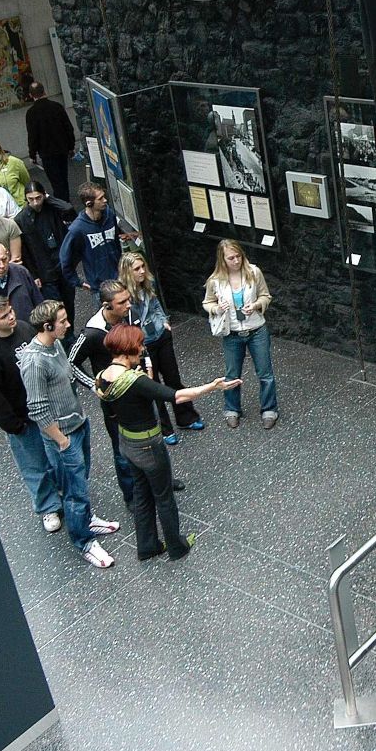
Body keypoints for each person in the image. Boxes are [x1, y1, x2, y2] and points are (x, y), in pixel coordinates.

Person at [97, 323, 240, 561]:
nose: (142, 350)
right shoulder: (134, 380)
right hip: (148, 445)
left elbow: (111, 413)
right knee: (163, 496)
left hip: (126, 442)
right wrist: (213, 387)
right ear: (125, 351)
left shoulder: (102, 378)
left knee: (142, 493)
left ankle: (147, 545)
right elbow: (176, 396)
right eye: (138, 346)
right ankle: (176, 546)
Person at [19, 300, 120, 569]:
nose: (67, 324)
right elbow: (37, 409)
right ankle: (84, 542)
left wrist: (93, 386)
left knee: (81, 480)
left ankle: (86, 520)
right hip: (63, 436)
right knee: (74, 492)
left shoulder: (57, 345)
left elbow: (71, 369)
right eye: (62, 321)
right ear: (47, 326)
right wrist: (61, 440)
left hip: (78, 423)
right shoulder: (34, 361)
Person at [0, 295, 64, 533]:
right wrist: (15, 426)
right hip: (23, 420)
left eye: (11, 311)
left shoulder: (24, 329)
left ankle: (62, 491)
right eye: (4, 316)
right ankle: (48, 507)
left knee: (56, 455)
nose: (11, 317)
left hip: (45, 410)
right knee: (35, 466)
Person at [69, 280, 145, 507]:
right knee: (122, 449)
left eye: (128, 299)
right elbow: (71, 362)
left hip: (139, 386)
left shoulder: (130, 315)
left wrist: (147, 367)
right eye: (122, 302)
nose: (128, 305)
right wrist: (94, 385)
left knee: (150, 435)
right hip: (115, 399)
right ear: (107, 305)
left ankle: (158, 479)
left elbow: (143, 343)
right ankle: (131, 495)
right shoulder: (92, 332)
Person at [119, 252, 204, 445]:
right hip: (143, 345)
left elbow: (157, 306)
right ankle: (165, 428)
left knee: (173, 378)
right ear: (128, 272)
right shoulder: (125, 297)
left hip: (160, 336)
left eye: (142, 267)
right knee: (154, 385)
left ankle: (186, 417)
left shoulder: (148, 286)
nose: (142, 272)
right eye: (137, 269)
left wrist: (164, 322)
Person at [201, 239, 278, 430]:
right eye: (231, 258)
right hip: (232, 332)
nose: (236, 261)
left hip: (256, 329)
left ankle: (269, 409)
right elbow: (207, 302)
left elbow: (265, 295)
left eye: (238, 256)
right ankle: (232, 409)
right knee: (231, 374)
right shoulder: (215, 280)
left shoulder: (253, 272)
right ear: (223, 260)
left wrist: (257, 305)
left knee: (265, 372)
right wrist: (217, 309)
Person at [15, 180, 77, 329]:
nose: (35, 202)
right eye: (31, 199)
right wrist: (33, 274)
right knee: (54, 309)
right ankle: (62, 338)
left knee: (69, 303)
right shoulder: (21, 219)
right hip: (44, 271)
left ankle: (70, 331)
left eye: (38, 198)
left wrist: (50, 199)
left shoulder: (52, 209)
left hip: (62, 265)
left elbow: (68, 209)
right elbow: (25, 252)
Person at [60, 182, 125, 305]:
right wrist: (78, 282)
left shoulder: (109, 214)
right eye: (100, 198)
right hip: (100, 289)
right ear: (89, 204)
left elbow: (116, 243)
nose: (105, 200)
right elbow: (65, 259)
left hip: (120, 280)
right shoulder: (77, 229)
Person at [26, 81, 76, 202]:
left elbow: (32, 136)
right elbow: (68, 128)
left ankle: (63, 207)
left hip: (47, 153)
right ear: (44, 91)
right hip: (62, 149)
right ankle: (66, 201)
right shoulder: (57, 106)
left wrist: (32, 154)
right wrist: (71, 146)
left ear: (31, 95)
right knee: (63, 178)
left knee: (56, 182)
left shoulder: (31, 113)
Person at [0, 136, 31, 207]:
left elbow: (27, 182)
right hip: (0, 208)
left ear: (0, 149)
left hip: (20, 204)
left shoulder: (14, 162)